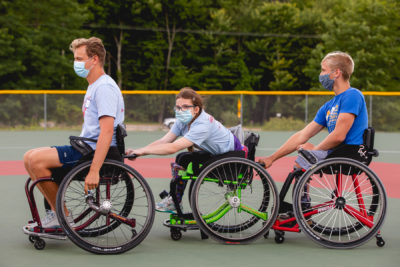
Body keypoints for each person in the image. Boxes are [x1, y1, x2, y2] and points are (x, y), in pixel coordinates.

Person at [23, 37, 125, 231]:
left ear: (94, 59)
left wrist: (94, 170)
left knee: (35, 160)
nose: (75, 63)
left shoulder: (104, 88)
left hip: (91, 153)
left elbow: (107, 131)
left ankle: (62, 217)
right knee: (29, 157)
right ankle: (56, 213)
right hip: (85, 147)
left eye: (79, 58)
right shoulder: (94, 85)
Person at [126, 87, 246, 213]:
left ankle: (174, 200)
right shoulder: (183, 121)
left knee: (184, 158)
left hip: (231, 156)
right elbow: (164, 141)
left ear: (196, 109)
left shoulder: (202, 124)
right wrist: (139, 150)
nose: (180, 110)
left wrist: (144, 152)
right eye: (178, 107)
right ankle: (175, 200)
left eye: (185, 107)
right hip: (217, 153)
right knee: (182, 158)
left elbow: (173, 147)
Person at [259, 51, 368, 171]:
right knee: (300, 163)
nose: (321, 75)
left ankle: (300, 189)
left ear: (336, 72)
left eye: (323, 70)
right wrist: (272, 158)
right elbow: (302, 135)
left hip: (350, 153)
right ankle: (301, 190)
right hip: (336, 152)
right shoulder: (328, 106)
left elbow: (339, 136)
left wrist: (315, 150)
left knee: (302, 162)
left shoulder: (352, 95)